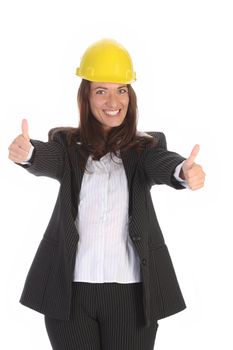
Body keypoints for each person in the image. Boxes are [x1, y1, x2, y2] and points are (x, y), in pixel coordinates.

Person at [8, 38, 206, 350]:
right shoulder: (67, 145)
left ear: (131, 96)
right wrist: (28, 152)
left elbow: (162, 163)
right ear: (86, 97)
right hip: (70, 295)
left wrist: (182, 172)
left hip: (131, 296)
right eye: (101, 90)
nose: (113, 100)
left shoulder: (145, 147)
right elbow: (49, 157)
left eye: (121, 90)